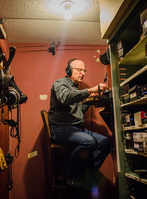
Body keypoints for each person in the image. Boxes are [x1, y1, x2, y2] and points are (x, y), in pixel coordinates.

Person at [48, 58, 113, 187]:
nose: (83, 73)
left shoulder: (76, 89)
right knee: (89, 141)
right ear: (69, 70)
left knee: (106, 142)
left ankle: (84, 176)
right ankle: (68, 173)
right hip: (60, 129)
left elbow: (77, 112)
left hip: (75, 129)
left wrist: (91, 99)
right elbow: (65, 98)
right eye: (79, 70)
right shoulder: (60, 83)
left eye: (84, 71)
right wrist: (89, 90)